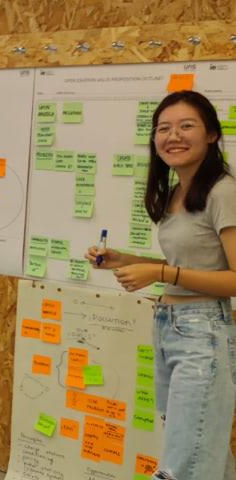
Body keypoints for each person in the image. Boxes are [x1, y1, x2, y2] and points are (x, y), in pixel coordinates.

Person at [86, 90, 236, 479]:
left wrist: (162, 274)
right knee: (201, 451)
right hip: (171, 326)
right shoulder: (176, 193)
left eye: (187, 126)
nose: (174, 136)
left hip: (203, 332)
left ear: (212, 135)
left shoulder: (223, 191)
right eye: (164, 128)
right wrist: (127, 261)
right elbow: (188, 264)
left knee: (184, 463)